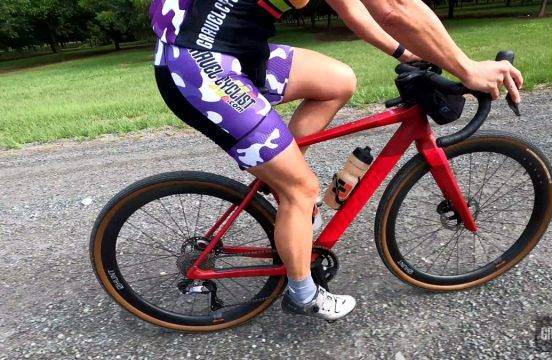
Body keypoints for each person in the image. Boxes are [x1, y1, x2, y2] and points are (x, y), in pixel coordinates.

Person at [150, 0, 524, 321]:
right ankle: (302, 295)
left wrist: (405, 53)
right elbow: (395, 9)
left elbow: (357, 12)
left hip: (234, 52)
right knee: (302, 188)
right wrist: (467, 68)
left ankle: (280, 181)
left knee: (337, 81)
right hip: (202, 66)